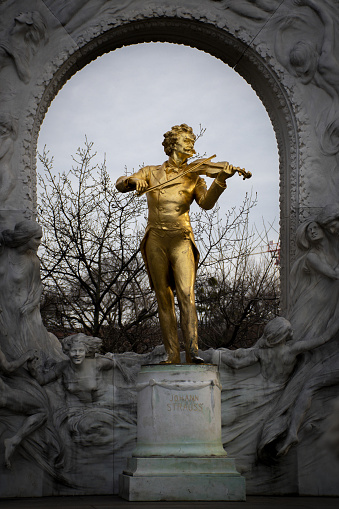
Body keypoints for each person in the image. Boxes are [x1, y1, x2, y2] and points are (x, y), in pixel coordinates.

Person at [116, 124, 238, 364]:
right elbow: (120, 183)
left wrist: (221, 179)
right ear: (173, 145)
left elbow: (206, 203)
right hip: (156, 239)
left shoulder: (195, 176)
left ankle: (193, 350)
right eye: (186, 140)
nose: (191, 144)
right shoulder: (150, 172)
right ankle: (172, 354)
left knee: (186, 294)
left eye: (192, 140)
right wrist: (132, 181)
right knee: (163, 296)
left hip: (181, 237)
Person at [0, 345, 46, 469]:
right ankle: (14, 441)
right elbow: (9, 368)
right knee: (41, 410)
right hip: (4, 396)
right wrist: (27, 355)